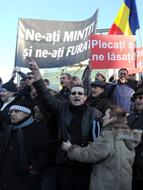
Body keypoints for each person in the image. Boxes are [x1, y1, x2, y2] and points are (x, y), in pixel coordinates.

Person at [26, 57, 102, 190]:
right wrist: (37, 73)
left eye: (80, 93)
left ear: (85, 97)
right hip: (64, 161)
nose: (77, 95)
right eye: (74, 93)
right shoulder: (62, 108)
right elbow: (45, 95)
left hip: (84, 162)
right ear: (69, 96)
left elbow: (99, 138)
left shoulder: (95, 114)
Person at [61, 105, 142, 190]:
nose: (103, 118)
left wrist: (70, 148)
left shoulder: (109, 135)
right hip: (124, 184)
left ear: (113, 118)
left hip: (106, 184)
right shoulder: (128, 136)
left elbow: (89, 154)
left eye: (106, 115)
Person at [0, 98, 51, 190]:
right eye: (11, 112)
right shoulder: (9, 129)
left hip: (26, 178)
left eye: (16, 111)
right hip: (6, 176)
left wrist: (34, 169)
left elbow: (45, 151)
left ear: (26, 113)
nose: (12, 114)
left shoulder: (38, 129)